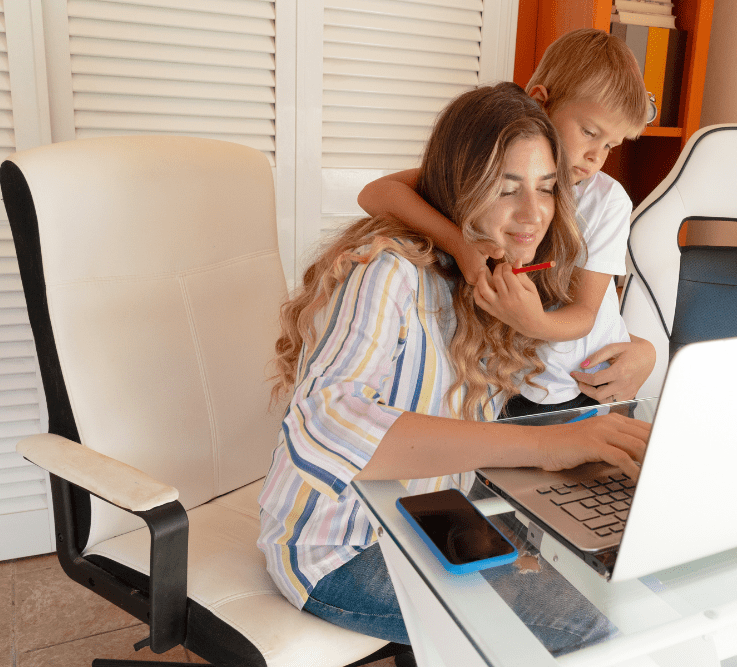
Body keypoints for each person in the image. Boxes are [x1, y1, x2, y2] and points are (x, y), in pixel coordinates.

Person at [258, 82, 651, 654]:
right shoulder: (389, 271)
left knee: (624, 586)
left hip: (430, 517)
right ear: (459, 185)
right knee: (592, 628)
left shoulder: (497, 280)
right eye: (506, 188)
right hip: (340, 550)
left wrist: (643, 350)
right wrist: (544, 448)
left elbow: (573, 343)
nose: (533, 213)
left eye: (546, 189)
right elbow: (324, 422)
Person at [358, 29, 654, 417]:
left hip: (583, 385)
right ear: (540, 104)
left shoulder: (604, 200)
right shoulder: (488, 167)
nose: (596, 157)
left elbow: (586, 313)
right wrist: (459, 244)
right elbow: (376, 194)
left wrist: (534, 323)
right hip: (511, 377)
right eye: (589, 133)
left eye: (610, 146)